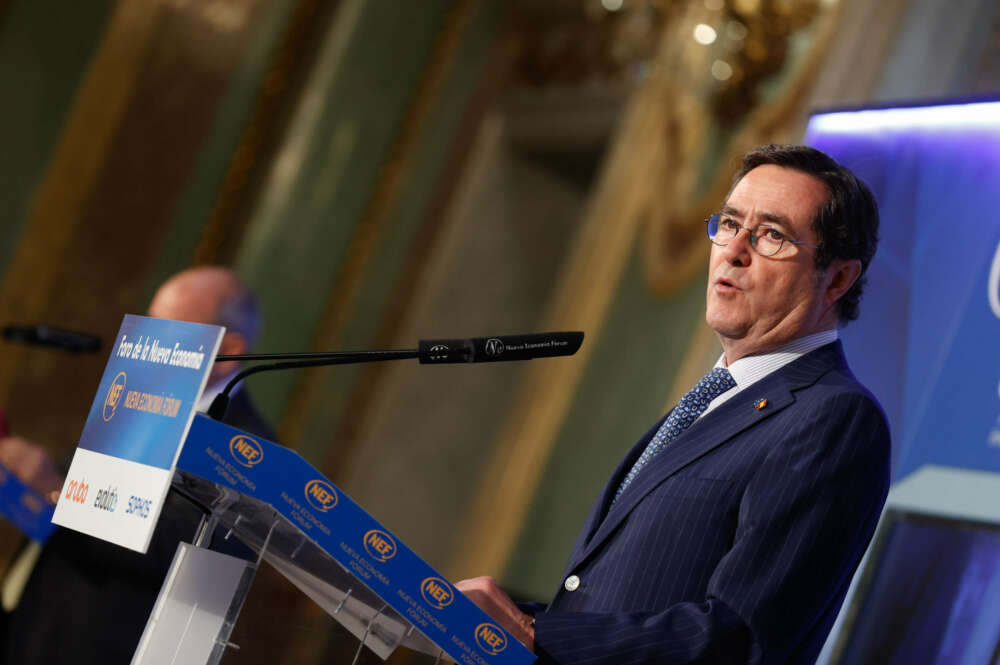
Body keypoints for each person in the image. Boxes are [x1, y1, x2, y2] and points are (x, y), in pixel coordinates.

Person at [457, 144, 891, 665]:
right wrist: (498, 621)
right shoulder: (719, 395)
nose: (733, 250)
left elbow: (740, 634)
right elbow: (625, 600)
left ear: (838, 279)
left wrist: (536, 635)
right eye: (730, 224)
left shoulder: (832, 418)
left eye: (772, 235)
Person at [1, 266, 273, 665]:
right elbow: (64, 507)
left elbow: (180, 557)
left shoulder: (250, 449)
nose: (147, 345)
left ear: (229, 352)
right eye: (148, 327)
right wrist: (19, 487)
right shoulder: (137, 391)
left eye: (168, 333)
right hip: (30, 620)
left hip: (96, 645)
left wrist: (51, 487)